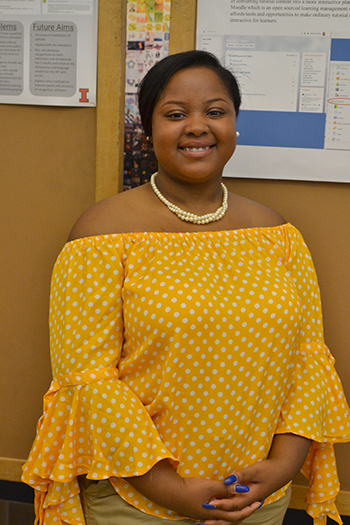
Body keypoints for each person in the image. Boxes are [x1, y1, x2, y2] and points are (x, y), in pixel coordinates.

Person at [22, 50, 350, 525]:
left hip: (255, 497)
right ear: (148, 129)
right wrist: (174, 491)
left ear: (235, 125)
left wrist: (281, 467)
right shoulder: (100, 235)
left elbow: (307, 359)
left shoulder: (277, 234)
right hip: (136, 501)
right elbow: (88, 381)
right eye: (176, 114)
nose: (197, 126)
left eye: (215, 112)